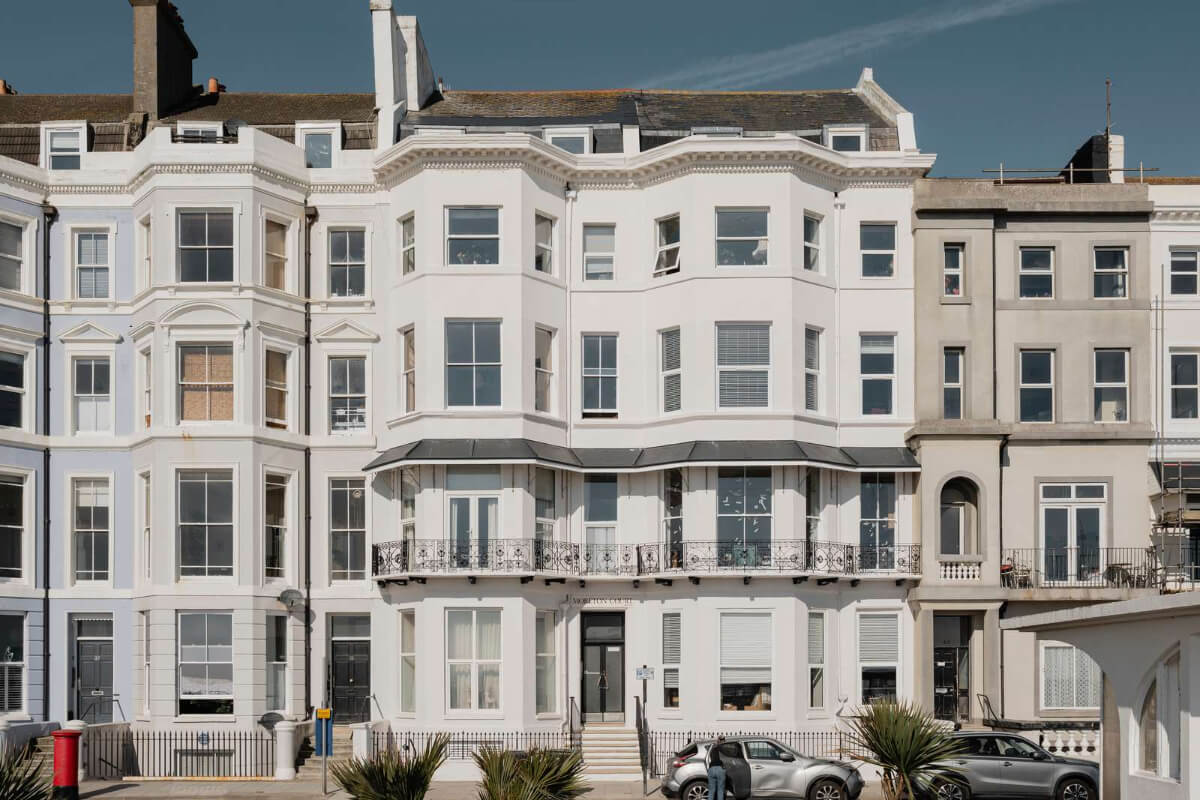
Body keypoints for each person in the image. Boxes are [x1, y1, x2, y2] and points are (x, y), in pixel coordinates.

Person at [705, 736, 727, 800]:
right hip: (720, 769)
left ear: (718, 740)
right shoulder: (724, 747)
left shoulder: (712, 747)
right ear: (724, 741)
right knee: (720, 790)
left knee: (711, 790)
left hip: (711, 769)